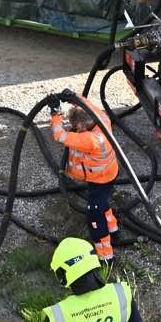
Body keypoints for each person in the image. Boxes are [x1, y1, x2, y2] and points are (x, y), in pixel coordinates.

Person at [50, 92, 120, 262]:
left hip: (100, 180)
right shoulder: (102, 119)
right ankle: (114, 231)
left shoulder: (90, 139)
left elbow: (60, 135)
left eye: (76, 126)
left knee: (94, 217)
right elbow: (89, 105)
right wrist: (74, 97)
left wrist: (55, 114)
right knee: (102, 204)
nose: (75, 129)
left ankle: (106, 256)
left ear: (83, 124)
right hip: (108, 174)